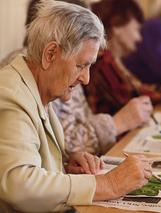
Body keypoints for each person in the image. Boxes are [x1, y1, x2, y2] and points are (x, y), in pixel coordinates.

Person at [0, 1, 151, 212]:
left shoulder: (39, 87)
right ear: (50, 54)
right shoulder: (11, 94)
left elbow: (28, 164)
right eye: (81, 65)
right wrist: (108, 184)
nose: (86, 78)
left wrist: (64, 168)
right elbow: (18, 186)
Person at [84, 0, 161, 115]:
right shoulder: (102, 61)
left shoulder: (111, 60)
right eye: (136, 29)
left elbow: (139, 91)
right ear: (117, 25)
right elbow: (132, 98)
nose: (139, 38)